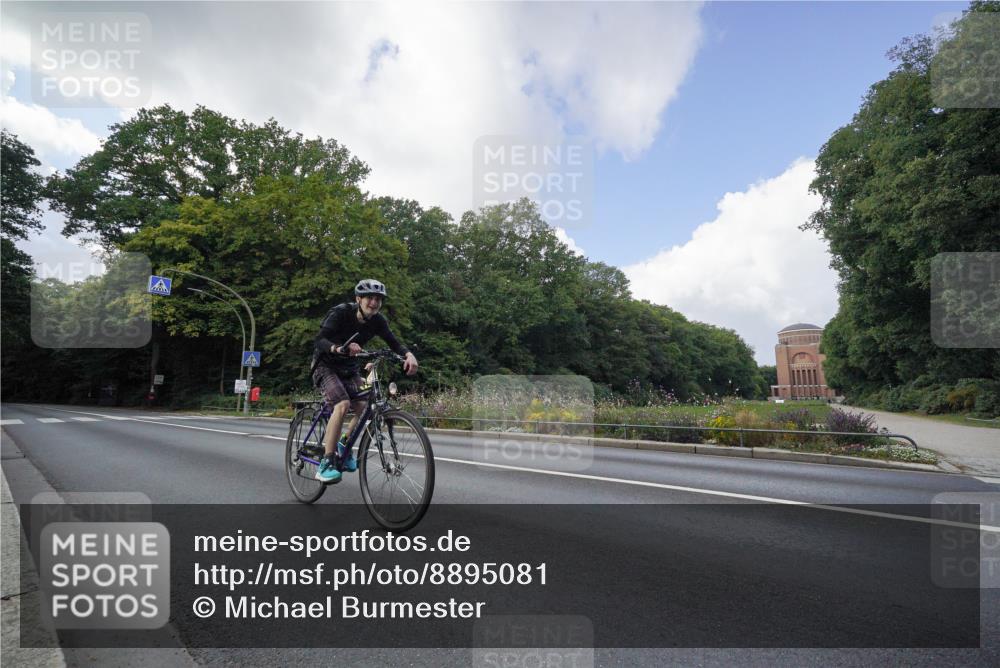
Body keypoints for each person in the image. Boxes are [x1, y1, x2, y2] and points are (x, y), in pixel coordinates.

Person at [311, 279, 418, 483]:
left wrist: (409, 355)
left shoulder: (378, 321)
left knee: (364, 406)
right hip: (325, 366)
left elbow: (394, 342)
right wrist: (338, 348)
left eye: (378, 299)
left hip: (349, 369)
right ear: (358, 299)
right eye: (370, 298)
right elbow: (320, 339)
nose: (374, 303)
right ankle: (326, 462)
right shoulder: (341, 313)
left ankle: (344, 443)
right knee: (342, 404)